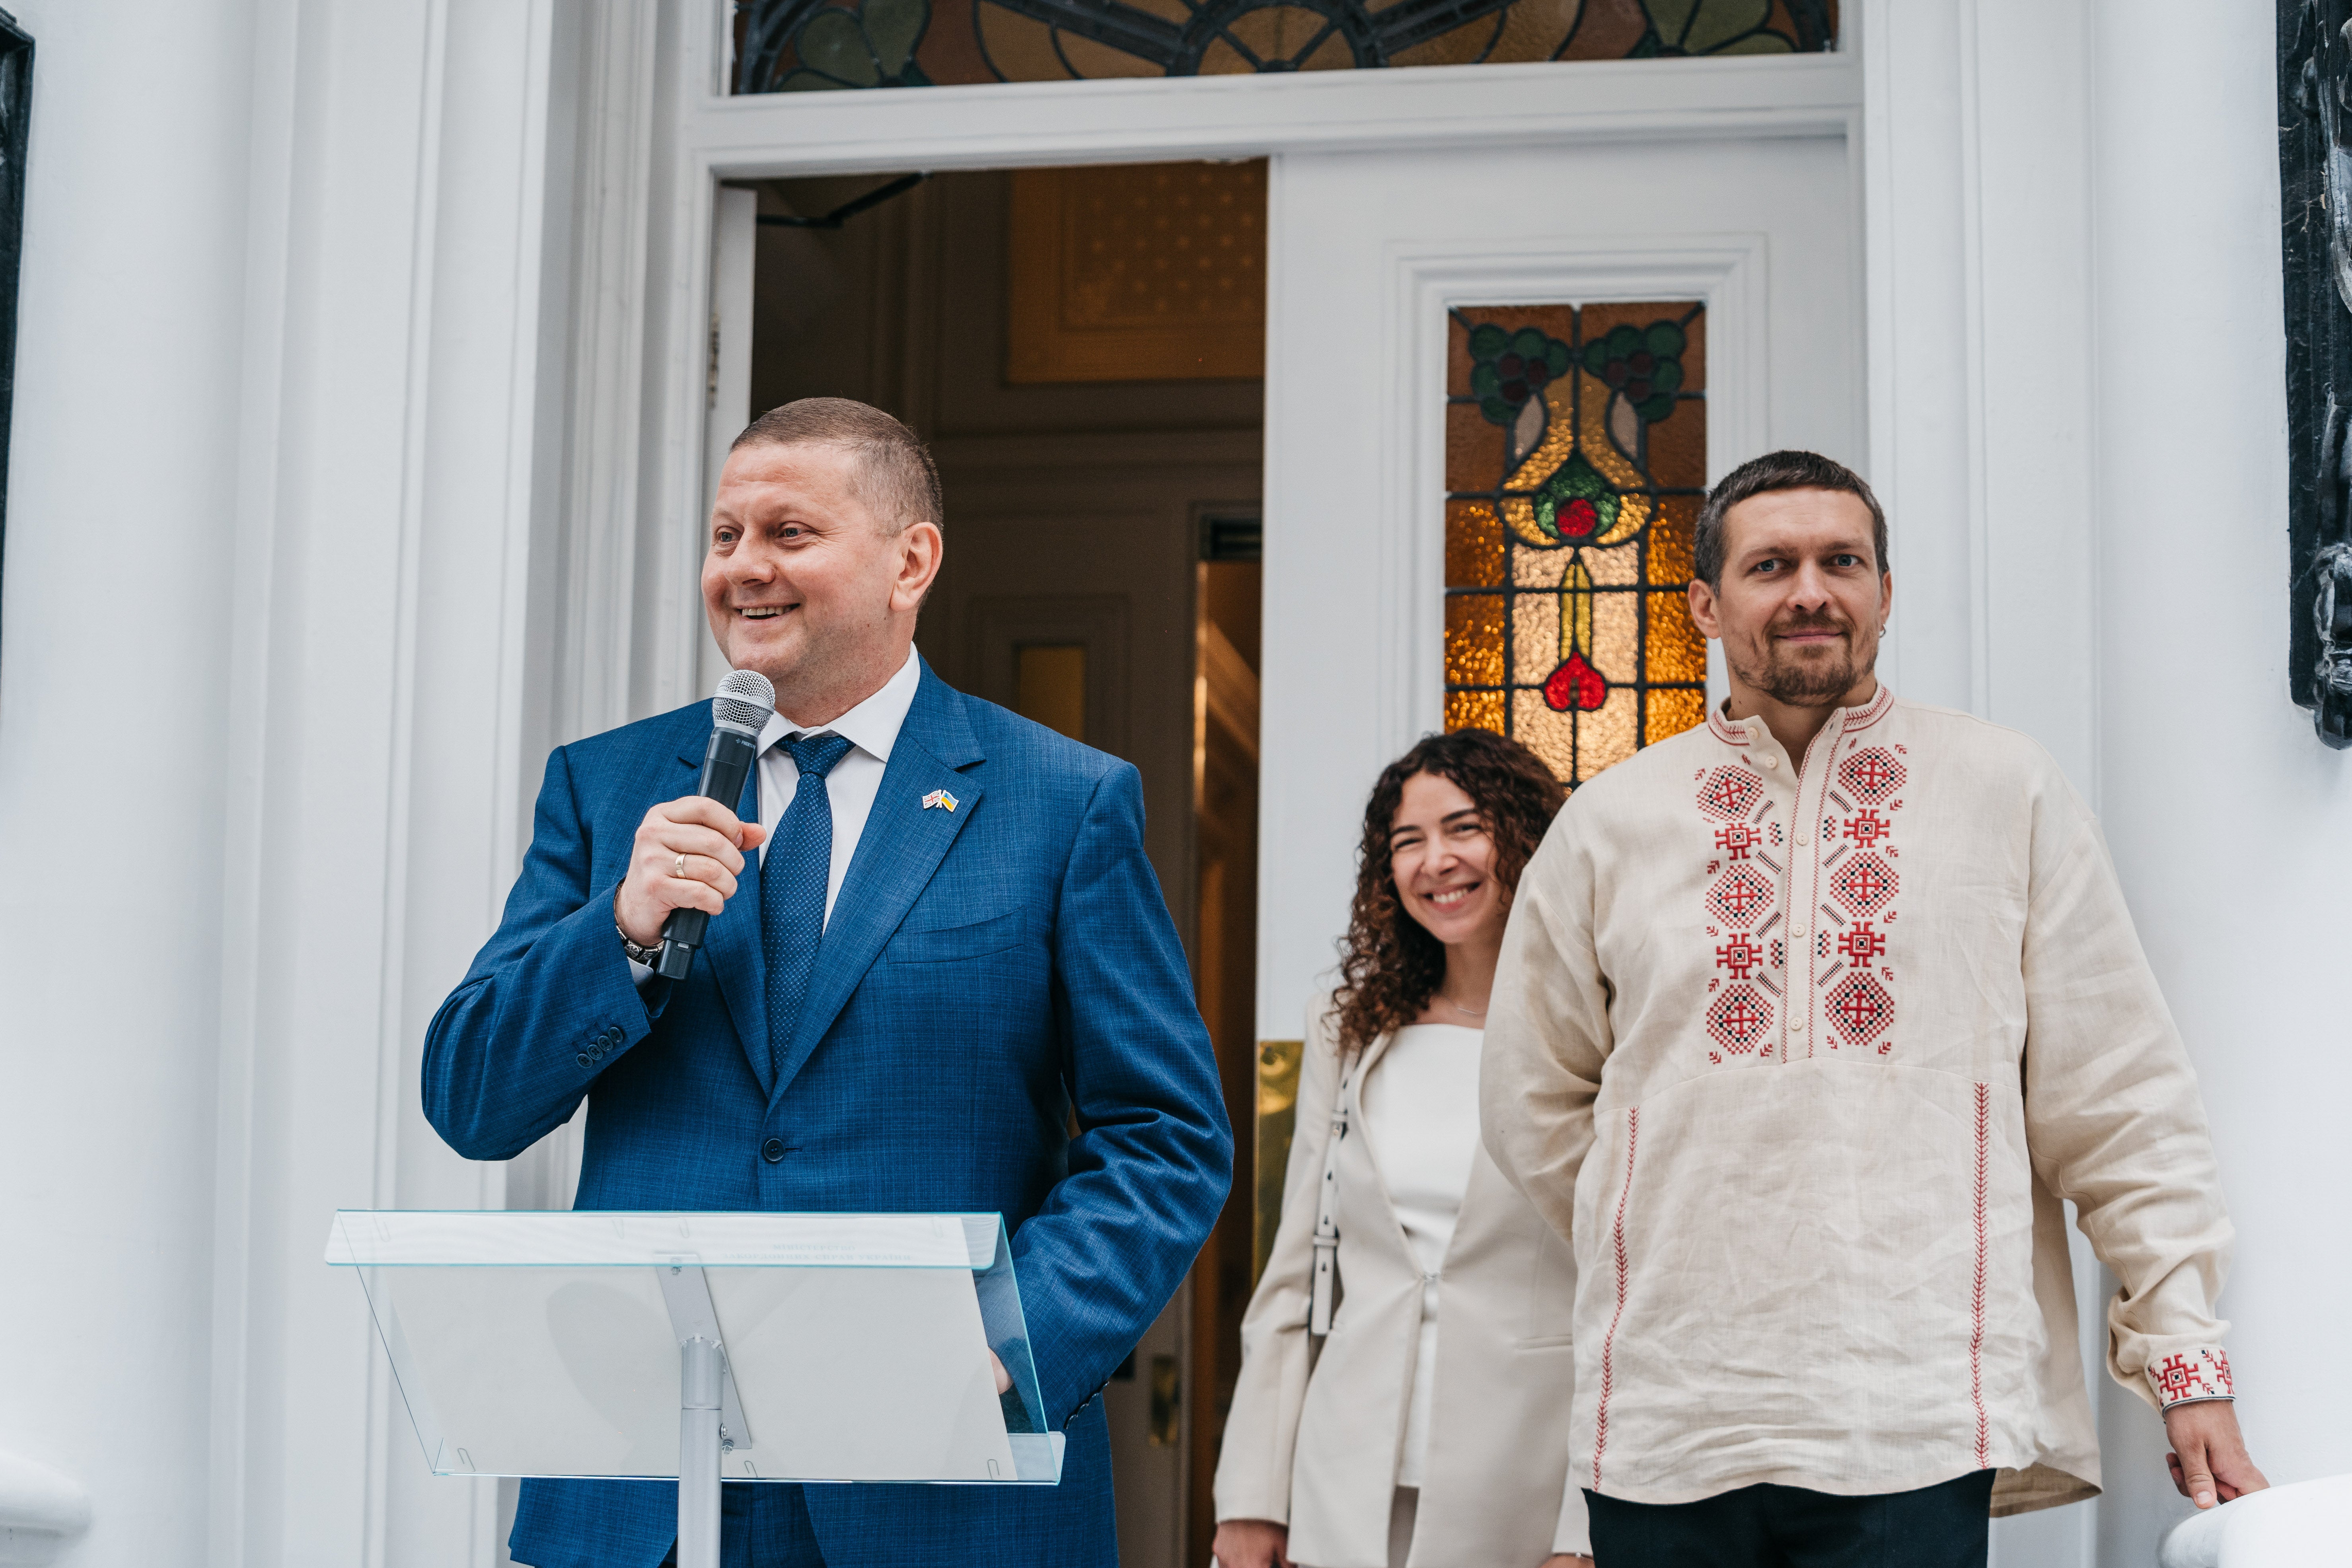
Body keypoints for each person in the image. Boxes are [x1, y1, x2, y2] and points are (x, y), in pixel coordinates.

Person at [421, 397, 1232, 1568]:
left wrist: (1006, 1341)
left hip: (934, 1480)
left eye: (789, 532)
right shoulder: (608, 790)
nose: (744, 567)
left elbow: (1167, 1134)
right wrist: (622, 929)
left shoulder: (1060, 801)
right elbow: (472, 1096)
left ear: (912, 560)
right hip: (647, 1483)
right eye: (724, 535)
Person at [1480, 450, 2266, 1566]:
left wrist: (2188, 1364)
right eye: (1771, 564)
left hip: (1915, 1406)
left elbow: (2120, 1098)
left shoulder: (2006, 789)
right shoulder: (1612, 821)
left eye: (1841, 560)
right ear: (1706, 603)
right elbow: (1532, 1100)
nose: (1811, 589)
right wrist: (1673, 1218)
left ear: (1885, 593)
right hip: (1670, 1408)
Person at [1214, 729, 1595, 1568]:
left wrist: (1584, 1530)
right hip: (1343, 1482)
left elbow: (1624, 1296)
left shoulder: (1598, 1035)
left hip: (1523, 1485)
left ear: (1525, 836)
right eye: (1406, 842)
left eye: (1464, 828)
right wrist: (1251, 1497)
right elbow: (1292, 1283)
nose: (1435, 862)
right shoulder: (1348, 1033)